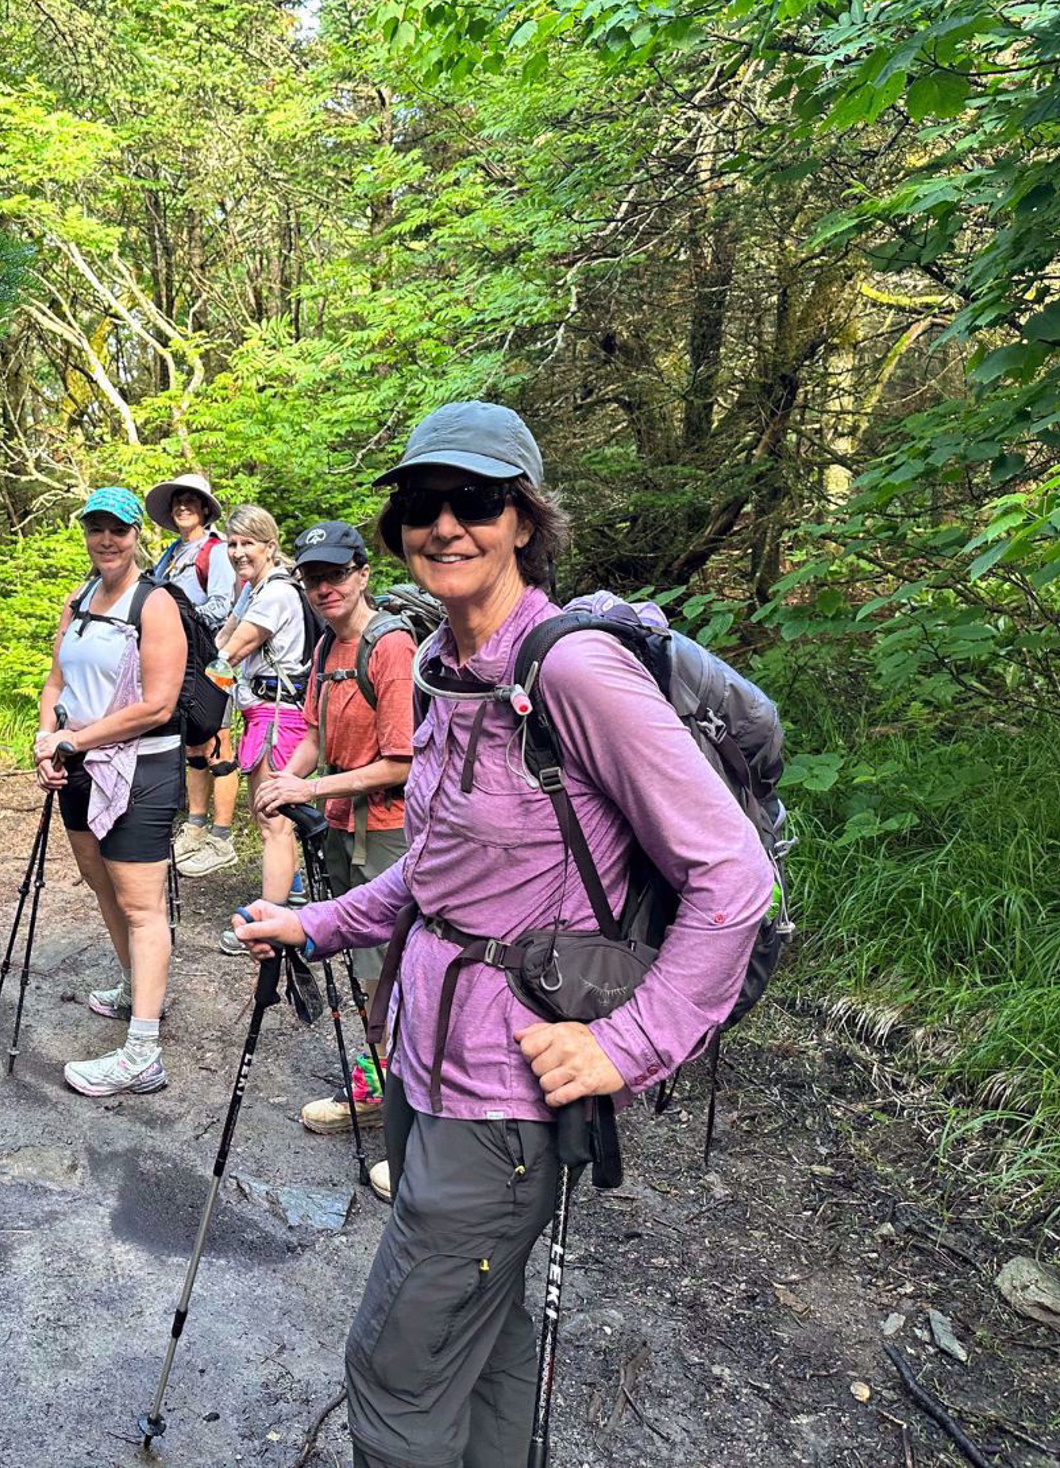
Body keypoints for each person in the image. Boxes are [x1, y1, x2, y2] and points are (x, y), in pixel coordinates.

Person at [234, 402, 772, 1467]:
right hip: (425, 1065)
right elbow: (436, 882)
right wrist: (314, 925)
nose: (445, 525)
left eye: (475, 502)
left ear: (524, 520)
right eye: (423, 505)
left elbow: (732, 876)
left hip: (508, 1095)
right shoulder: (446, 667)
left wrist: (626, 1045)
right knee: (484, 1335)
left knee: (392, 1377)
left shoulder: (570, 672)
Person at [253, 520, 413, 1136]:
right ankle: (376, 1087)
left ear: (363, 574)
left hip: (391, 827)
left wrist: (308, 788)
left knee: (388, 968)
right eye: (313, 578)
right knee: (359, 964)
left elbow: (404, 759)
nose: (324, 589)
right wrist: (280, 783)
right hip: (345, 824)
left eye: (336, 575)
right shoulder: (325, 650)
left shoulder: (390, 647)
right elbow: (315, 737)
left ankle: (405, 1106)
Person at [34, 487, 189, 1098]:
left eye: (118, 530)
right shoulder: (78, 599)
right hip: (77, 763)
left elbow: (157, 705)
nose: (106, 540)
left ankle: (143, 1051)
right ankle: (134, 984)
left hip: (140, 770)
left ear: (135, 535)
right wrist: (48, 738)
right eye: (96, 528)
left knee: (142, 904)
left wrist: (76, 742)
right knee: (102, 882)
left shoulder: (155, 605)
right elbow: (56, 680)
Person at [208, 504, 310, 952]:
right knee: (273, 818)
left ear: (270, 545)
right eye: (231, 543)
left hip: (276, 716)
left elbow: (229, 651)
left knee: (272, 821)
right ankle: (292, 892)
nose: (236, 552)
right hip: (261, 713)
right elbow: (222, 639)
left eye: (247, 542)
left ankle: (270, 918)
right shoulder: (255, 590)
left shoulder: (275, 594)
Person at [143, 474, 241, 878]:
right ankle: (196, 826)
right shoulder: (170, 554)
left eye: (191, 501)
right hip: (177, 664)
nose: (183, 507)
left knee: (218, 741)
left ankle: (222, 836)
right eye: (177, 501)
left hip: (211, 659)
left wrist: (178, 617)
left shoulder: (214, 552)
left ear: (204, 509)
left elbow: (221, 604)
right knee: (193, 745)